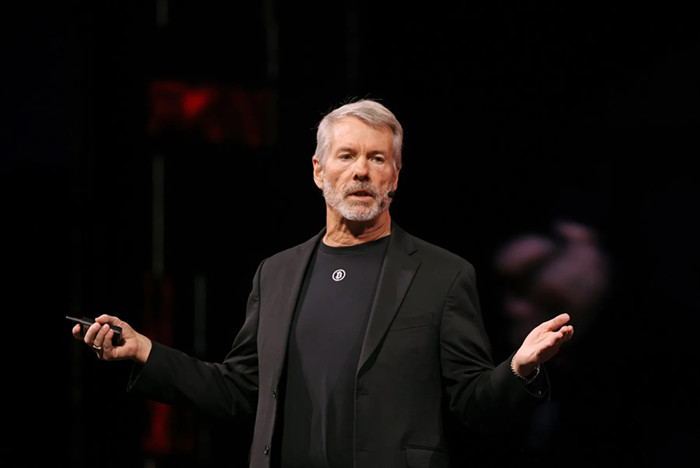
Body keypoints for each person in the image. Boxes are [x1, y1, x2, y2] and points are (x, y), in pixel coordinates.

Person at [72, 98, 574, 468]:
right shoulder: (276, 273)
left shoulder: (443, 275)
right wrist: (145, 352)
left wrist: (519, 369)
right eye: (347, 156)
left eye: (377, 159)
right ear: (318, 170)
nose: (362, 172)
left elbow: (472, 403)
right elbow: (239, 390)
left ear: (396, 176)